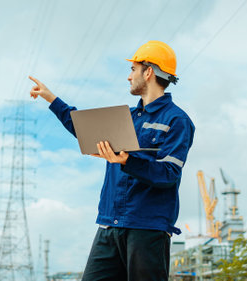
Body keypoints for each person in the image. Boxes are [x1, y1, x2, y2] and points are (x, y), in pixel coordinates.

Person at [29, 40, 195, 281]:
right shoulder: (126, 117)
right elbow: (83, 128)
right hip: (110, 225)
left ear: (148, 72)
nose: (129, 77)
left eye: (133, 69)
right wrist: (52, 99)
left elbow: (169, 173)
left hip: (147, 229)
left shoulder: (177, 120)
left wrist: (127, 160)